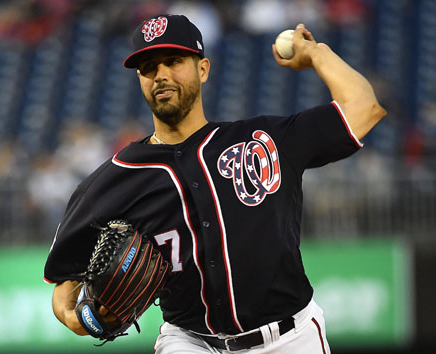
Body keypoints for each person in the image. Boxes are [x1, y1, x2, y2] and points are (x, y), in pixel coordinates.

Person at [44, 14, 386, 353]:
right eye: (148, 67)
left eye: (173, 61)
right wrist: (78, 318)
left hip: (290, 338)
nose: (160, 74)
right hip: (189, 342)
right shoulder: (114, 179)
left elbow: (364, 107)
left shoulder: (263, 140)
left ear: (203, 69)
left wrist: (316, 53)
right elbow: (64, 284)